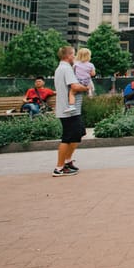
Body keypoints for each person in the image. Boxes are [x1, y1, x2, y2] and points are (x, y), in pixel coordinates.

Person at [53, 46, 89, 177]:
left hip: (71, 109)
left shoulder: (61, 68)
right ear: (68, 56)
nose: (75, 57)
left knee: (78, 134)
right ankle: (59, 167)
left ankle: (67, 161)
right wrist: (86, 87)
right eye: (73, 54)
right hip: (68, 110)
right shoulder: (66, 68)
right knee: (67, 138)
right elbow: (74, 86)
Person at [64, 48, 95, 115]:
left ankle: (71, 106)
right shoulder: (91, 65)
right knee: (90, 82)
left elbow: (73, 71)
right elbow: (93, 74)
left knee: (71, 93)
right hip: (86, 81)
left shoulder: (76, 64)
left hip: (78, 82)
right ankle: (90, 92)